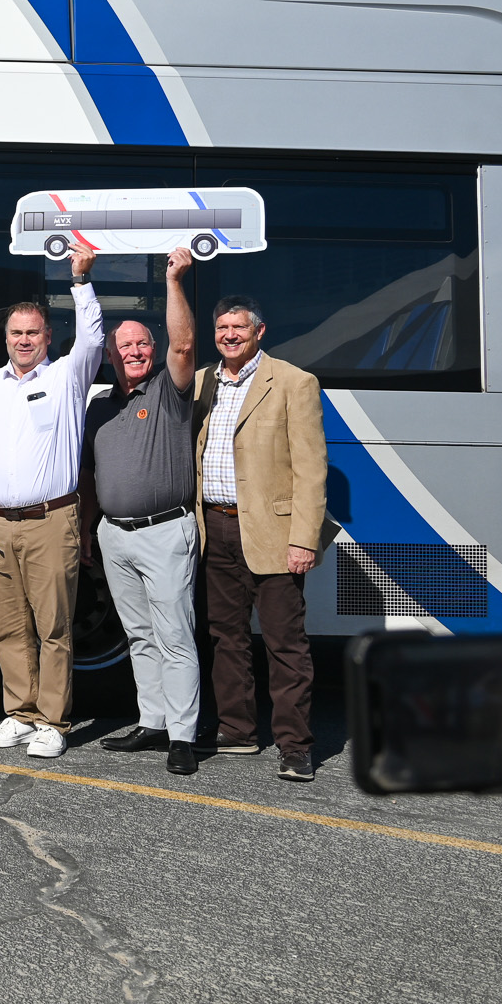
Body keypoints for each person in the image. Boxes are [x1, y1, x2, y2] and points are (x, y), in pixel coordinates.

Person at [0, 244, 103, 759]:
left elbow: (94, 339)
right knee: (8, 626)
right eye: (16, 333)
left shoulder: (67, 376)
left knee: (54, 627)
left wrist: (80, 283)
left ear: (47, 338)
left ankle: (54, 723)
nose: (23, 340)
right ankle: (19, 713)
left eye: (32, 333)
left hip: (49, 521)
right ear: (5, 338)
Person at [193, 294, 336, 782]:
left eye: (238, 327)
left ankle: (296, 746)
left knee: (285, 644)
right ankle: (237, 730)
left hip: (275, 533)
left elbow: (313, 471)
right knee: (225, 637)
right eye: (222, 328)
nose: (229, 335)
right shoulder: (201, 383)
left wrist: (305, 540)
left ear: (259, 332)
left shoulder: (294, 382)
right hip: (215, 527)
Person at [80, 249, 201, 777]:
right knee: (138, 634)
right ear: (110, 355)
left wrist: (174, 279)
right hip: (115, 535)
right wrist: (89, 529)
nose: (133, 351)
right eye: (123, 345)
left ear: (152, 351)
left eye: (140, 343)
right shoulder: (99, 406)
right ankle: (152, 722)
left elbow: (186, 343)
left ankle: (182, 735)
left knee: (175, 633)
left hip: (165, 532)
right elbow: (89, 475)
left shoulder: (170, 392)